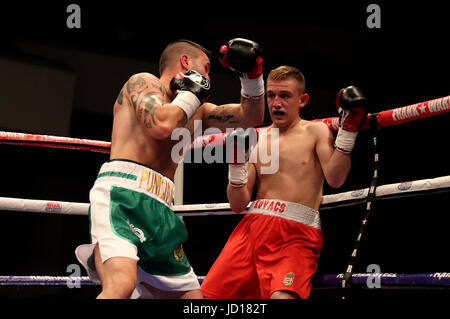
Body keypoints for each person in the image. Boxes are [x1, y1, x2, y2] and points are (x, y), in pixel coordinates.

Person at [75, 38, 265, 299]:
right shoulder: (142, 83)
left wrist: (251, 76)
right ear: (186, 62)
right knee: (121, 285)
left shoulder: (198, 113)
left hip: (162, 207)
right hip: (123, 195)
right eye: (206, 68)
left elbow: (251, 117)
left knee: (193, 301)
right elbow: (163, 126)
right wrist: (191, 92)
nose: (210, 77)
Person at [201, 65, 367, 299]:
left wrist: (348, 131)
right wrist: (236, 166)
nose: (276, 103)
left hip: (295, 233)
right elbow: (238, 204)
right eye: (271, 95)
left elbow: (336, 178)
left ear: (303, 99)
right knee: (204, 300)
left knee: (283, 297)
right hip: (251, 229)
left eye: (285, 96)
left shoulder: (316, 131)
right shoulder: (255, 138)